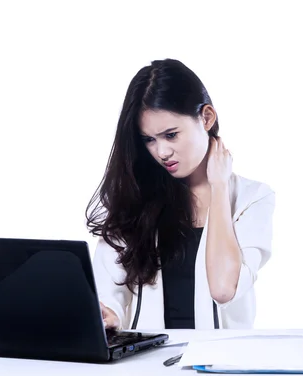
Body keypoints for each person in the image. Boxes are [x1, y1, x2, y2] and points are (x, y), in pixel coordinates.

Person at [85, 58, 275, 330]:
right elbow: (108, 292)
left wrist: (219, 187)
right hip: (147, 366)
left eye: (171, 135)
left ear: (207, 117)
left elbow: (224, 290)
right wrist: (110, 316)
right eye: (149, 139)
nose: (161, 152)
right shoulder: (132, 197)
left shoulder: (252, 198)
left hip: (222, 365)